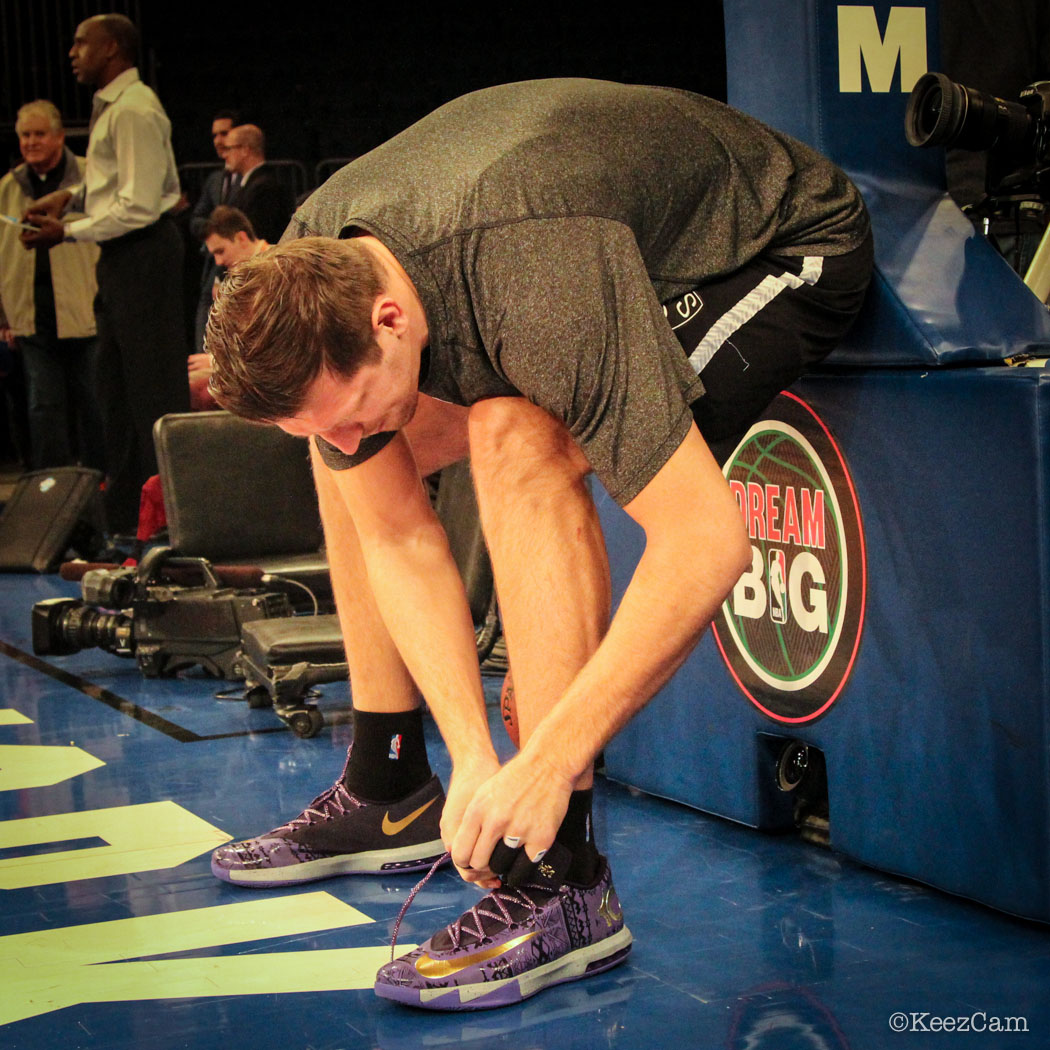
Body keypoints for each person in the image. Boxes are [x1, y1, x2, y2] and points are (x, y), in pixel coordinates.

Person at [204, 79, 873, 1011]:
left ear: (387, 319)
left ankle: (562, 883)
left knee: (519, 435)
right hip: (555, 241)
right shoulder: (318, 264)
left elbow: (705, 541)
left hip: (771, 242)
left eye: (354, 409)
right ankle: (392, 781)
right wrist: (476, 756)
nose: (353, 434)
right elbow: (392, 529)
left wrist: (549, 755)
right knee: (350, 463)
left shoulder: (536, 270)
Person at [21, 13, 190, 537]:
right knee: (114, 394)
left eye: (81, 43)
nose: (71, 52)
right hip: (121, 259)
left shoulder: (135, 109)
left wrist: (66, 230)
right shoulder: (113, 108)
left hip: (144, 252)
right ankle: (126, 525)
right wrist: (68, 196)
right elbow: (112, 182)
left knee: (152, 392)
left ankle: (173, 522)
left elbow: (139, 205)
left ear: (112, 48)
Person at [0, 100, 103, 471]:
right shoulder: (8, 188)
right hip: (33, 316)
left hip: (85, 311)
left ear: (60, 137)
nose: (31, 142)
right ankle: (53, 490)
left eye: (39, 133)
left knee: (95, 405)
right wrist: (4, 316)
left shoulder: (91, 178)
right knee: (43, 409)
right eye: (25, 135)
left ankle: (101, 486)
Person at [187, 206, 271, 410]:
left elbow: (270, 338)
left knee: (197, 390)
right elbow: (206, 310)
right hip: (238, 361)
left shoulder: (274, 268)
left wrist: (219, 362)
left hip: (262, 370)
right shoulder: (228, 270)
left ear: (241, 238)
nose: (218, 261)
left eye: (221, 251)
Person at [189, 109, 241, 352]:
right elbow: (197, 218)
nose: (219, 141)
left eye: (224, 134)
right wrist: (216, 226)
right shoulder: (214, 180)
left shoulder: (255, 180)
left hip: (242, 261)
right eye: (215, 136)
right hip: (213, 265)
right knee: (205, 310)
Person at [223, 124, 295, 244]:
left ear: (245, 150)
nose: (225, 155)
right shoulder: (251, 183)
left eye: (229, 149)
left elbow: (260, 235)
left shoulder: (265, 187)